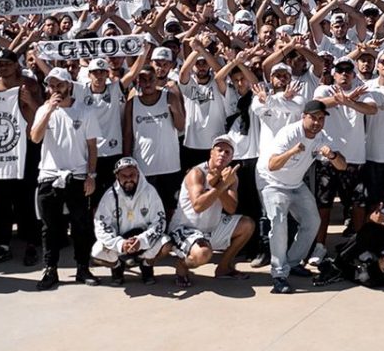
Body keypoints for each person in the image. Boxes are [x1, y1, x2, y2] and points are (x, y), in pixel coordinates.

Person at [257, 99, 347, 294]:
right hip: (271, 181)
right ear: (303, 117)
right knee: (279, 224)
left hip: (296, 184)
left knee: (313, 221)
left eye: (321, 119)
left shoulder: (321, 137)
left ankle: (293, 262)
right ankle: (279, 275)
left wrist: (331, 156)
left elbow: (343, 165)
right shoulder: (289, 133)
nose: (317, 123)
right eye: (313, 118)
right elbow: (272, 165)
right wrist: (292, 152)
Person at [29, 67, 98, 289]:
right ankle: (50, 270)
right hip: (49, 176)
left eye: (59, 85)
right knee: (50, 227)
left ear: (69, 85)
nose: (55, 89)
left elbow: (92, 147)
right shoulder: (43, 109)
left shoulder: (85, 112)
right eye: (51, 85)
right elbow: (35, 138)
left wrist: (91, 175)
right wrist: (49, 110)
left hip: (77, 176)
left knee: (81, 224)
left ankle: (82, 267)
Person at [172, 134, 256, 282]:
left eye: (227, 152)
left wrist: (220, 185)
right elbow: (198, 206)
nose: (222, 154)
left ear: (231, 158)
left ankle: (224, 267)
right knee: (203, 254)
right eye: (219, 150)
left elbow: (231, 209)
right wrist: (219, 185)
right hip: (186, 228)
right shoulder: (196, 173)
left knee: (247, 225)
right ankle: (182, 264)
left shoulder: (231, 177)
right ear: (211, 152)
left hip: (212, 227)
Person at [91, 156, 172, 283]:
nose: (129, 179)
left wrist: (141, 240)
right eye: (124, 175)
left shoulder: (150, 192)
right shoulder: (109, 196)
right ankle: (117, 267)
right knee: (97, 252)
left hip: (144, 241)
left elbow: (160, 222)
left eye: (132, 175)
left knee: (166, 244)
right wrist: (120, 244)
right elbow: (101, 225)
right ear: (117, 176)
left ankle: (146, 265)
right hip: (120, 243)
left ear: (138, 173)